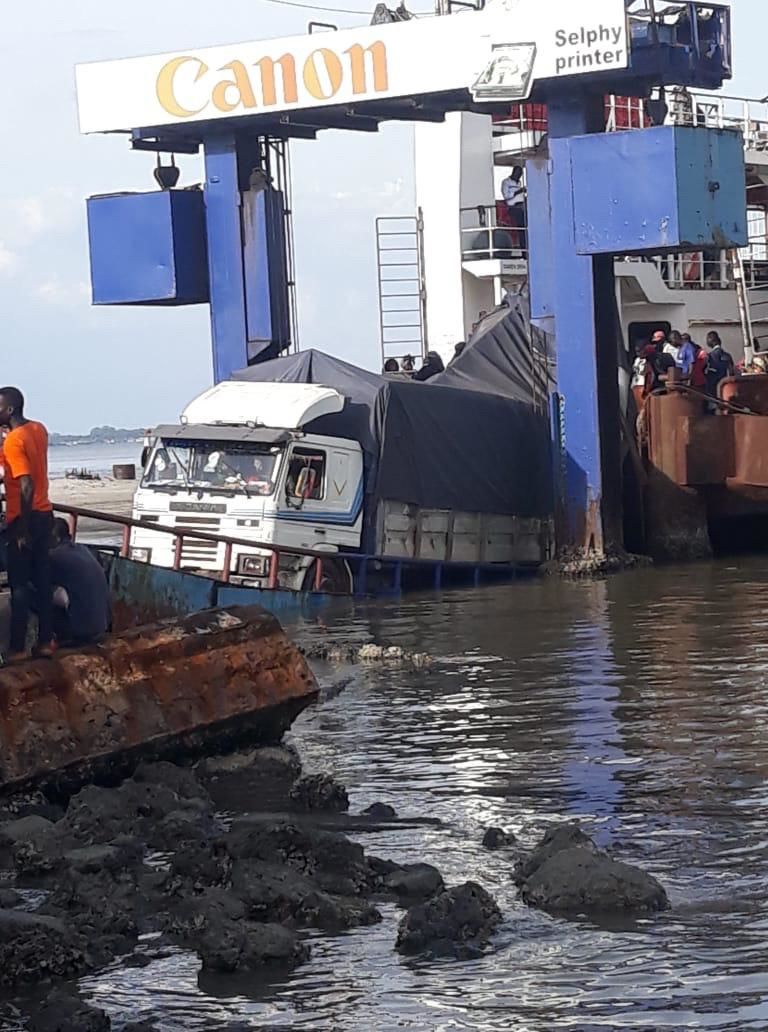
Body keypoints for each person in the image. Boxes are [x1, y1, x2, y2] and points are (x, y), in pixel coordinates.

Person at [0, 387, 55, 659]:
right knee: (43, 581)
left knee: (19, 586)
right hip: (45, 514)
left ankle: (17, 648)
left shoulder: (14, 440)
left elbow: (25, 483)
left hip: (25, 518)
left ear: (9, 410)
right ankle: (46, 641)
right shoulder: (38, 429)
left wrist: (20, 528)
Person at [48, 518, 112, 646]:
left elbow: (37, 581)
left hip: (81, 630)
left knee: (29, 593)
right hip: (102, 625)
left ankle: (42, 642)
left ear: (55, 538)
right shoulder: (83, 550)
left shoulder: (55, 556)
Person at [501, 166, 527, 252]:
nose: (519, 176)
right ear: (514, 172)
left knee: (527, 228)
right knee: (521, 228)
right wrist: (517, 192)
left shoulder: (519, 183)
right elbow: (506, 196)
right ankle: (523, 248)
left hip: (523, 207)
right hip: (514, 208)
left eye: (520, 174)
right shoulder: (506, 182)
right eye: (518, 174)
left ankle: (527, 247)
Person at [704, 331, 734, 398]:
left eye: (707, 339)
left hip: (712, 388)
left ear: (711, 340)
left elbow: (706, 372)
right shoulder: (727, 356)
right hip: (726, 387)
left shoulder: (710, 356)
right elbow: (732, 372)